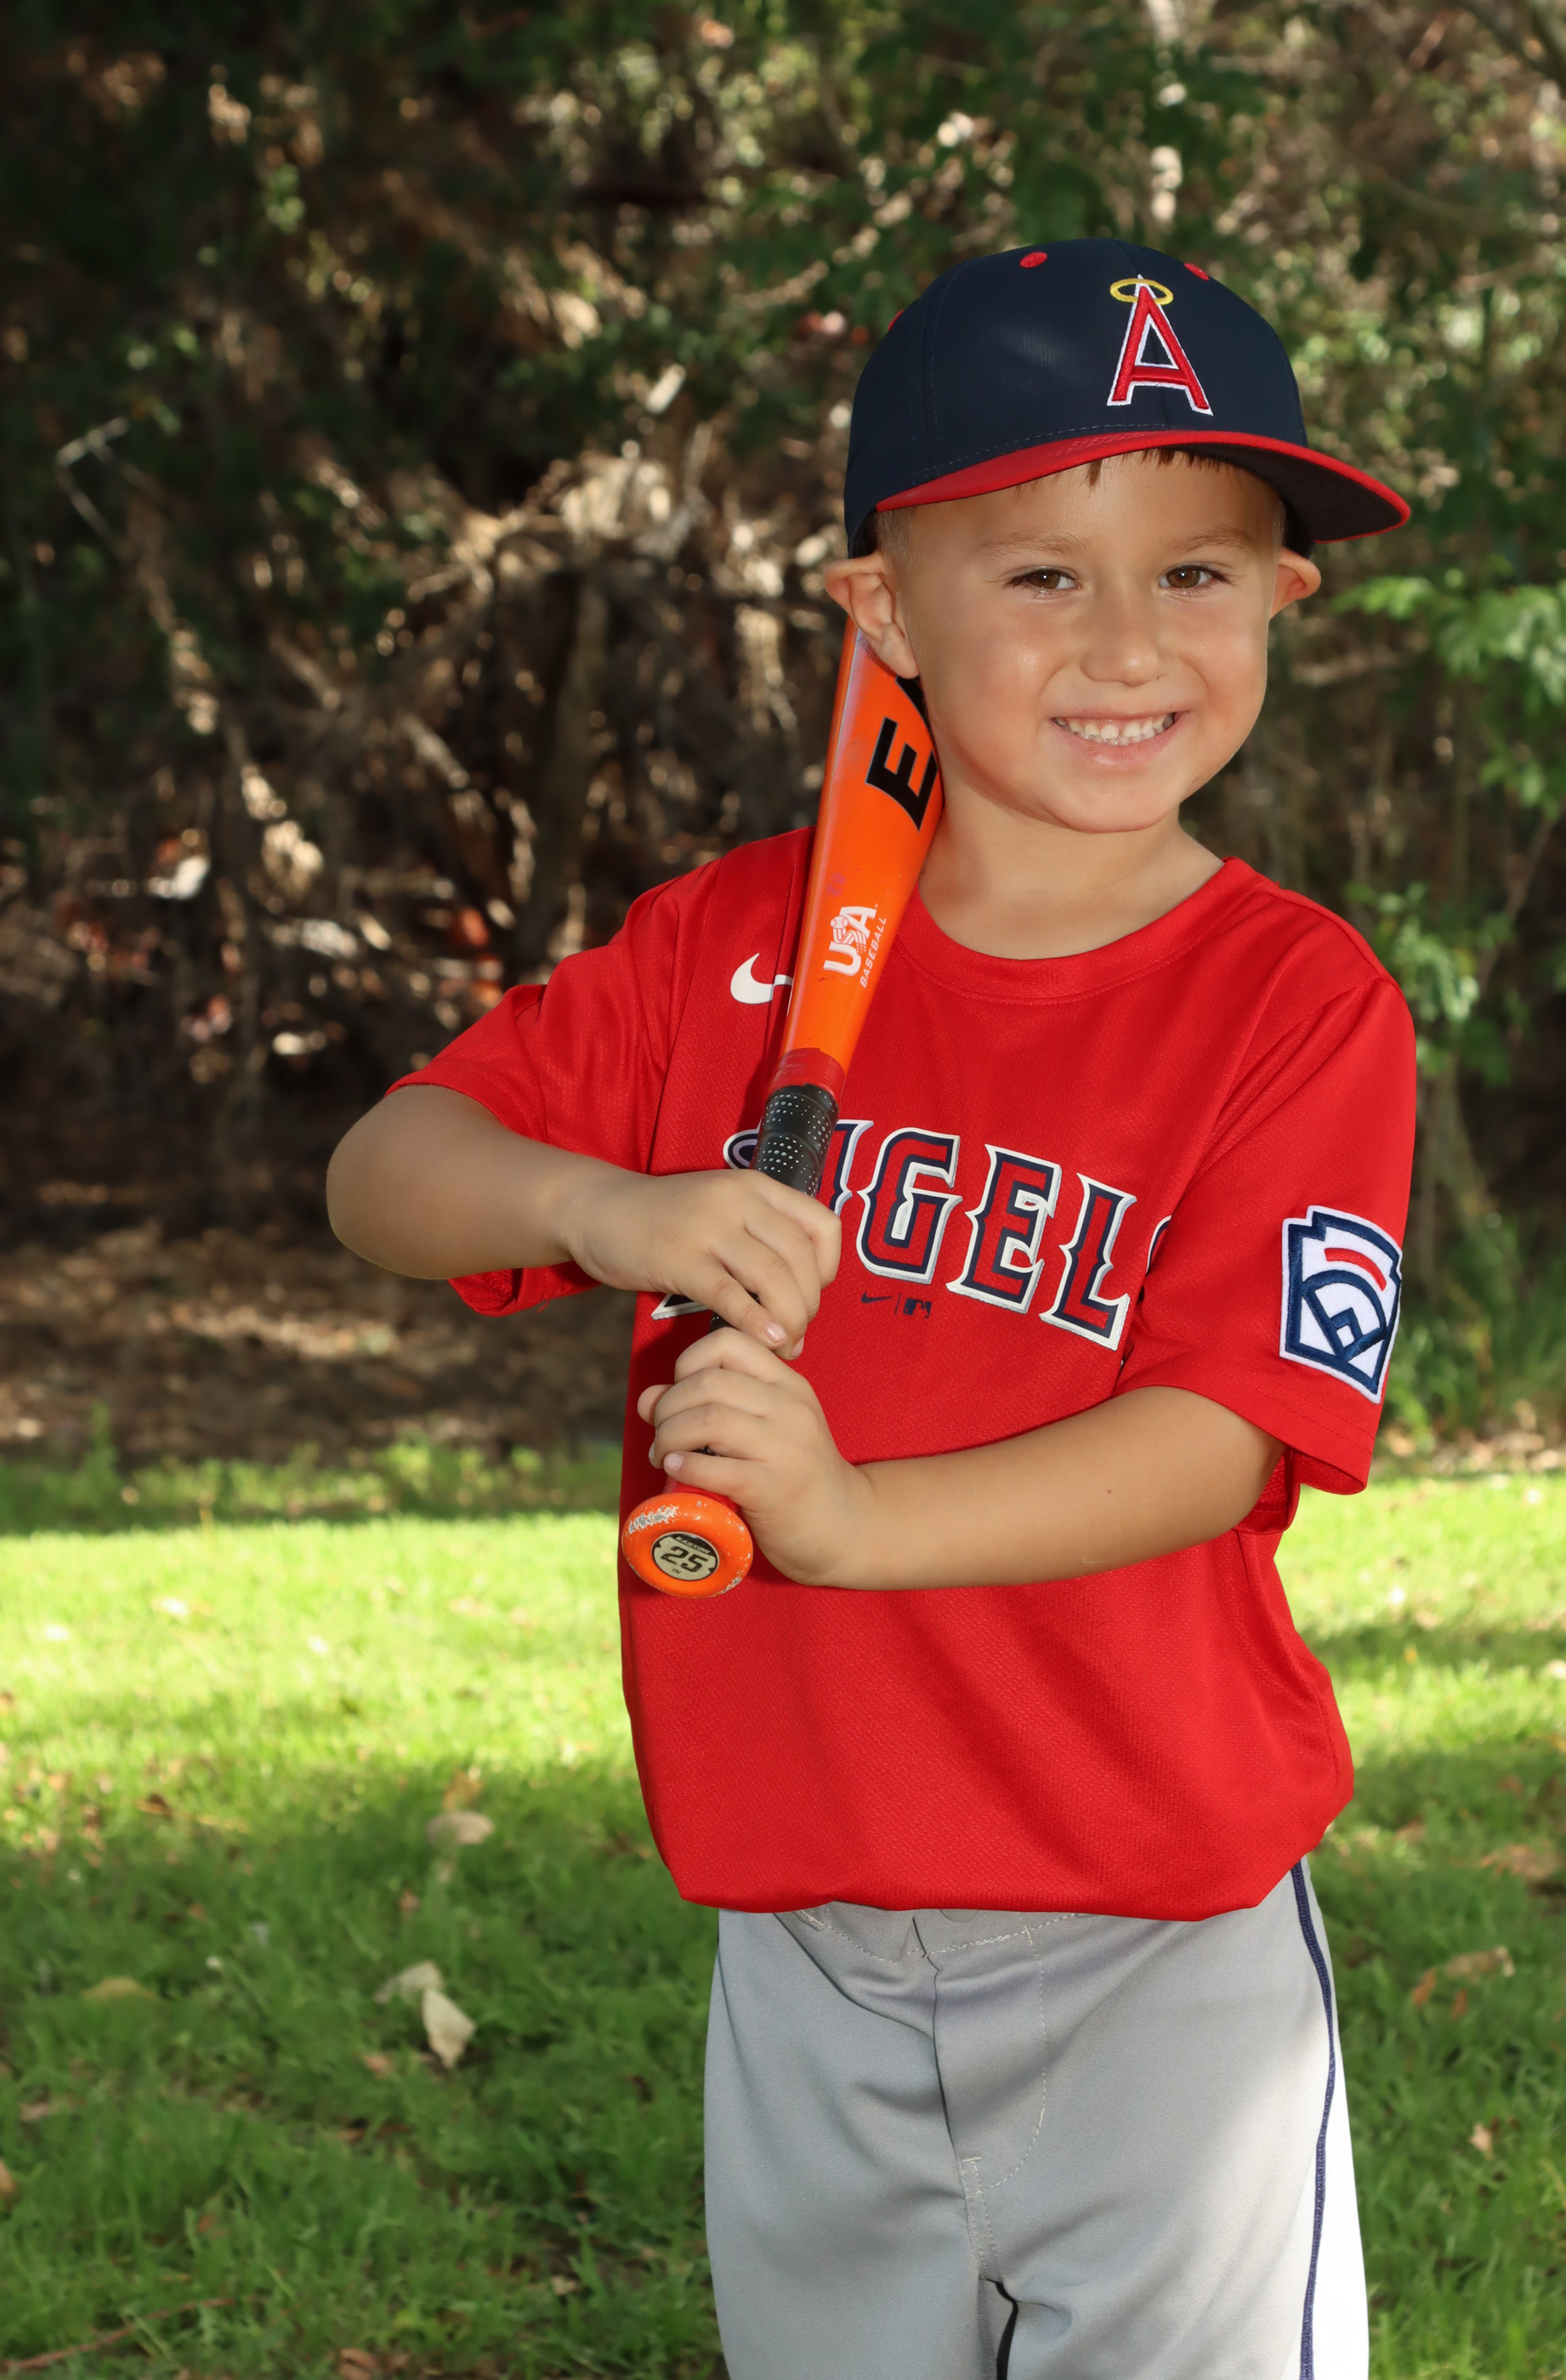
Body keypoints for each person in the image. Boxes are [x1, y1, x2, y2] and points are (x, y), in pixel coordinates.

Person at [328, 238, 1416, 2380]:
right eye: (1041, 574)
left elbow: (1221, 1439)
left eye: (1199, 573)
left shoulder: (1294, 999)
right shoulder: (729, 949)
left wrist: (850, 1520)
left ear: (1284, 599)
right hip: (804, 1938)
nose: (1128, 642)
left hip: (1156, 1942)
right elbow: (387, 1167)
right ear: (883, 612)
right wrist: (601, 1204)